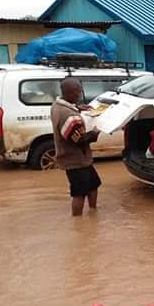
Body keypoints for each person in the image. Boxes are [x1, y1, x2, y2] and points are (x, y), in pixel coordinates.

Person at [50, 77, 102, 216]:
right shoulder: (69, 116)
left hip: (80, 159)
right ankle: (78, 222)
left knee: (94, 184)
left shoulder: (57, 105)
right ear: (71, 92)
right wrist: (95, 133)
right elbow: (79, 140)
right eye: (78, 91)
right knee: (79, 194)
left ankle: (93, 212)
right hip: (75, 160)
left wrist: (79, 107)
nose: (80, 94)